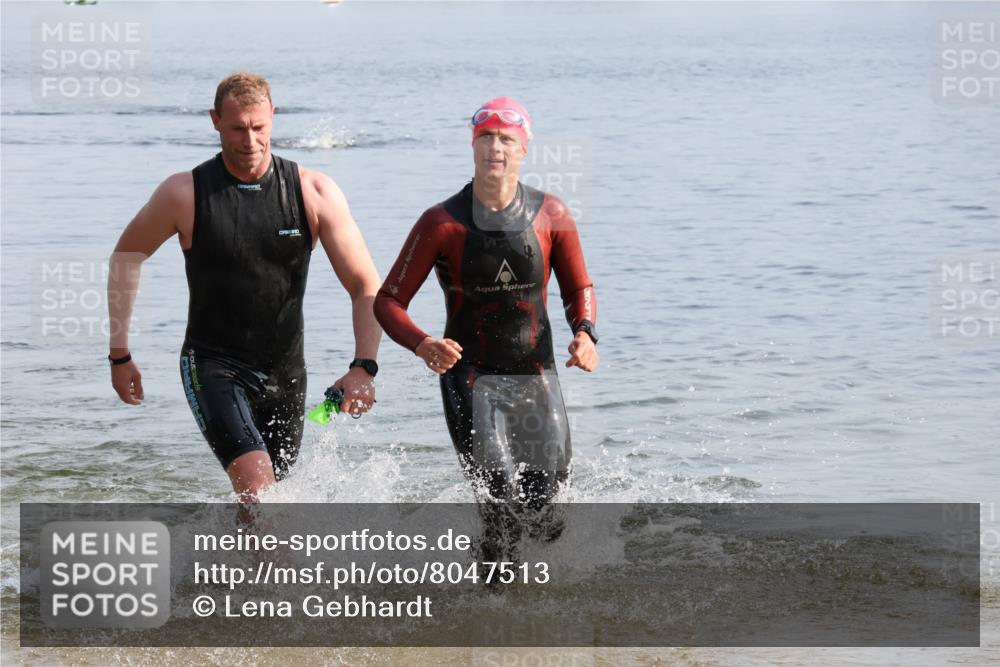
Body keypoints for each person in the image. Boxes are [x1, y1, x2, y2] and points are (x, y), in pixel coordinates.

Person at [107, 72, 381, 502]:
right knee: (257, 487)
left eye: (259, 127)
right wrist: (119, 353)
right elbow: (126, 258)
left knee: (275, 499)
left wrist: (365, 364)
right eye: (237, 128)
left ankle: (233, 568)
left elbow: (365, 284)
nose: (250, 140)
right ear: (215, 120)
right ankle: (272, 570)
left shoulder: (313, 192)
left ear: (274, 116)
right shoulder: (185, 194)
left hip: (286, 372)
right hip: (213, 364)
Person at [374, 97, 599, 554]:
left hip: (537, 376)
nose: (495, 147)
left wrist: (586, 333)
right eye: (486, 138)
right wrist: (422, 345)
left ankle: (529, 599)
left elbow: (579, 288)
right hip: (471, 379)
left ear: (523, 149)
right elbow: (388, 301)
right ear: (473, 146)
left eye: (506, 139)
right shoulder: (442, 223)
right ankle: (493, 610)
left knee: (545, 511)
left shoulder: (551, 214)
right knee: (499, 499)